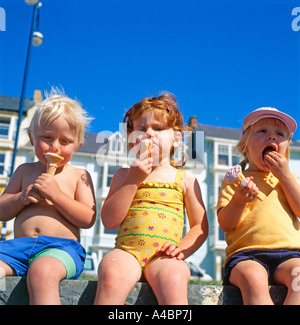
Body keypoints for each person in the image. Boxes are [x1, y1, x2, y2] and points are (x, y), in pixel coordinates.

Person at [94, 92, 208, 305]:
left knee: (173, 279)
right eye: (140, 129)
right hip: (127, 251)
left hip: (165, 256)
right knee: (111, 276)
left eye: (158, 128)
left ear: (175, 138)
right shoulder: (122, 175)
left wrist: (181, 249)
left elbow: (199, 227)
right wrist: (132, 180)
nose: (148, 134)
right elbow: (109, 220)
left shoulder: (184, 179)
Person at [0, 89, 96, 304]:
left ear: (78, 145)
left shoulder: (79, 175)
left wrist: (57, 195)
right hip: (18, 248)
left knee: (42, 272)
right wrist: (20, 199)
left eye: (65, 141)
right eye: (47, 137)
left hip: (61, 249)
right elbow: (2, 211)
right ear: (32, 139)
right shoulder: (24, 171)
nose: (55, 147)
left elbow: (88, 218)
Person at [217, 107, 300, 305]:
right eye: (262, 131)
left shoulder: (289, 180)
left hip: (289, 255)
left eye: (280, 134)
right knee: (253, 279)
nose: (271, 137)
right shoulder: (236, 180)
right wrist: (238, 200)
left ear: (286, 149)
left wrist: (285, 176)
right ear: (244, 146)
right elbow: (225, 224)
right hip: (246, 256)